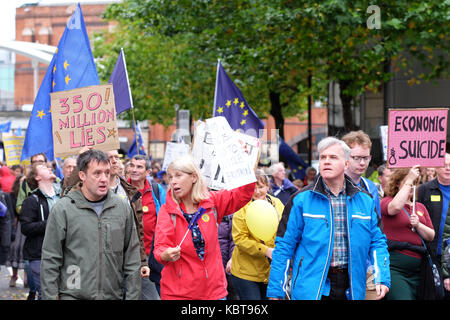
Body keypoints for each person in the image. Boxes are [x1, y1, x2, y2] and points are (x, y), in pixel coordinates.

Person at [267, 137, 390, 300]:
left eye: (333, 157)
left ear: (346, 163)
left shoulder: (365, 200)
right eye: (323, 157)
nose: (326, 161)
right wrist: (276, 290)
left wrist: (382, 276)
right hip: (311, 287)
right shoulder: (300, 199)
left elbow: (378, 242)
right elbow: (284, 246)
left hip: (352, 286)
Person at [41, 149, 141, 300]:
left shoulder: (122, 208)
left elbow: (132, 259)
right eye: (97, 173)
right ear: (82, 176)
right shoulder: (64, 209)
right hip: (73, 295)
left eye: (107, 173)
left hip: (112, 296)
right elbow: (50, 259)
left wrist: (133, 297)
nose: (104, 179)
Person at [153, 155, 255, 300]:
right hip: (178, 294)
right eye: (170, 177)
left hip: (214, 293)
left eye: (178, 175)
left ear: (194, 177)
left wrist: (243, 162)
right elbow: (160, 247)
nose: (173, 181)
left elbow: (243, 194)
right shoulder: (167, 210)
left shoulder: (212, 202)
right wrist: (165, 254)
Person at [381, 166, 435, 300]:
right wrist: (409, 178)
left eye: (414, 183)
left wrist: (418, 225)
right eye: (408, 183)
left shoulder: (420, 207)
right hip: (395, 267)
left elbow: (431, 235)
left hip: (418, 269)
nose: (411, 186)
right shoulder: (387, 201)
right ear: (398, 184)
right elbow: (395, 208)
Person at [341, 130, 383, 300]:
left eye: (366, 158)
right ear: (345, 157)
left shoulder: (371, 187)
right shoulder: (331, 184)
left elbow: (377, 231)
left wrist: (374, 265)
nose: (362, 163)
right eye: (356, 158)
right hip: (337, 265)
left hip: (365, 267)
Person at [230, 169, 284, 300]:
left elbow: (284, 232)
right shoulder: (241, 207)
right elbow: (240, 239)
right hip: (246, 273)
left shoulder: (278, 204)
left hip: (270, 272)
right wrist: (265, 250)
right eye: (253, 188)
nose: (258, 191)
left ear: (268, 186)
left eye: (261, 187)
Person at [19, 162, 60, 300]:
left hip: (65, 253)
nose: (49, 168)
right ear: (37, 177)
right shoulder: (32, 200)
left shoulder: (64, 195)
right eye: (43, 167)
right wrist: (49, 224)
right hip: (40, 255)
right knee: (47, 294)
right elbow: (25, 228)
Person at [128, 154, 165, 300]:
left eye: (139, 167)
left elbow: (165, 218)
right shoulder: (121, 189)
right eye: (132, 165)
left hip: (154, 255)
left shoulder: (156, 190)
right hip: (131, 256)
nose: (134, 170)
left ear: (148, 172)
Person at [418, 152, 450, 299]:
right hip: (432, 253)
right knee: (436, 294)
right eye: (444, 165)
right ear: (436, 167)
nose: (448, 169)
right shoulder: (425, 189)